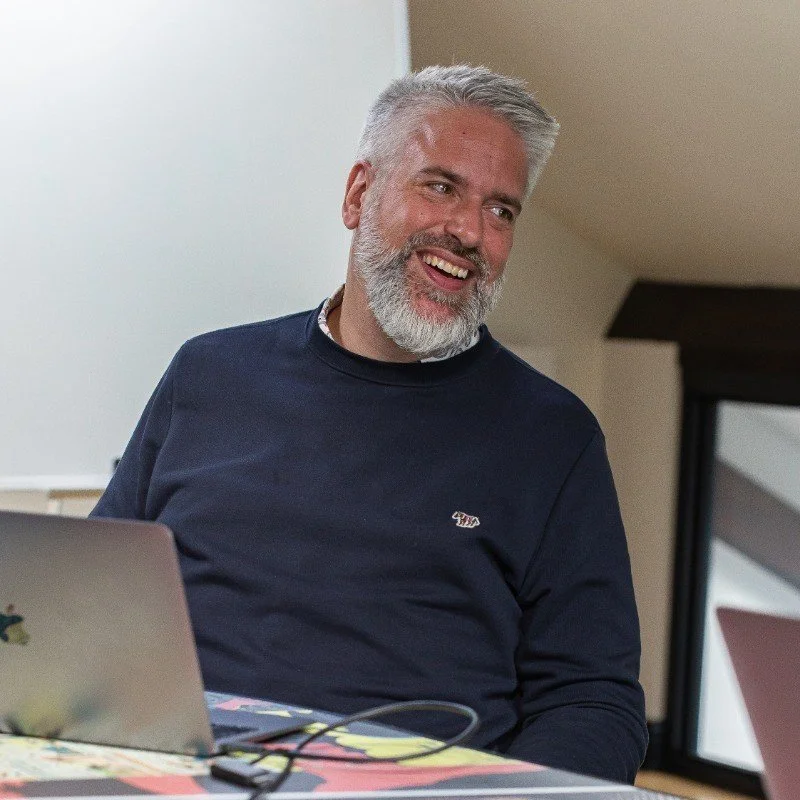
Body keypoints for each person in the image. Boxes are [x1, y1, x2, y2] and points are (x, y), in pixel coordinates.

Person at [92, 65, 647, 782]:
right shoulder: (208, 374)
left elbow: (593, 702)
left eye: (501, 210)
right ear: (359, 194)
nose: (469, 231)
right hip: (169, 777)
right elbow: (91, 604)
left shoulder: (554, 438)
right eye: (439, 187)